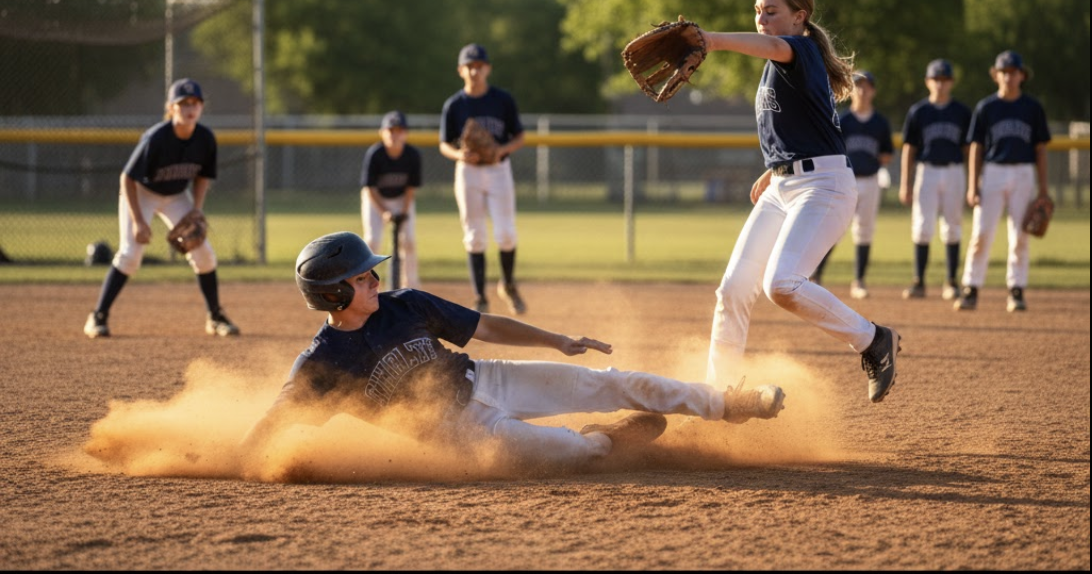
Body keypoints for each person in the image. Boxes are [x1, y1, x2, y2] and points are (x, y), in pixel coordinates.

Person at [236, 231, 786, 473]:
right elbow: (276, 421)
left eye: (373, 271)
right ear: (333, 294)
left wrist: (556, 340)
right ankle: (611, 439)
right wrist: (234, 463)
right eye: (363, 277)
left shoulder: (405, 304)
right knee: (576, 453)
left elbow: (487, 327)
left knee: (616, 378)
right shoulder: (324, 361)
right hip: (460, 435)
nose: (376, 279)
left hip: (487, 377)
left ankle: (727, 403)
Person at [697, 0, 901, 404]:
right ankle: (719, 395)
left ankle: (872, 339)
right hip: (785, 184)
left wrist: (710, 39)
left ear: (799, 16)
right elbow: (801, 125)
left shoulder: (800, 49)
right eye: (757, 11)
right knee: (733, 289)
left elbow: (773, 46)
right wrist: (776, 167)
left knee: (782, 284)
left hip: (823, 187)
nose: (761, 19)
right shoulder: (781, 66)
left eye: (771, 11)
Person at [82, 78, 240, 339]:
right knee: (130, 255)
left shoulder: (205, 138)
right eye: (183, 103)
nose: (190, 108)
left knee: (204, 255)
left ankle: (215, 316)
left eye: (196, 102)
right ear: (171, 108)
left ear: (201, 107)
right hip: (141, 194)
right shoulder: (156, 138)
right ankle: (97, 316)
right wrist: (139, 222)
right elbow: (127, 179)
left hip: (177, 195)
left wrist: (196, 209)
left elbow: (203, 177)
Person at [954, 51, 1051, 313]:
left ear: (1022, 75)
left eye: (1013, 72)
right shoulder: (986, 107)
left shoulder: (1032, 108)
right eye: (1004, 72)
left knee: (1020, 234)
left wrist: (1043, 188)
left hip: (1023, 172)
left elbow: (1041, 149)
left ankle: (1016, 290)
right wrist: (973, 185)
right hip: (993, 172)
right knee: (982, 232)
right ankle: (971, 287)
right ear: (996, 75)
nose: (1008, 76)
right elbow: (976, 148)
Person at [439, 43, 527, 316]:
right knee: (475, 236)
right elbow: (443, 144)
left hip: (499, 169)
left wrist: (501, 149)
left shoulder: (502, 100)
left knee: (506, 233)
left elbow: (519, 136)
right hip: (469, 172)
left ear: (487, 68)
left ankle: (508, 285)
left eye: (479, 65)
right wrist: (459, 154)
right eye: (469, 66)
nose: (475, 70)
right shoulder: (455, 105)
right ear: (460, 70)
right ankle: (480, 297)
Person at [810, 70, 894, 298]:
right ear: (851, 89)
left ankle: (859, 281)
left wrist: (873, 158)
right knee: (834, 229)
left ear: (873, 91)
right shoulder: (843, 120)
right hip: (845, 180)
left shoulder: (880, 122)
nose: (862, 90)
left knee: (864, 232)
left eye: (867, 86)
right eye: (858, 85)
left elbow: (887, 153)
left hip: (871, 181)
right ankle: (815, 276)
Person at [899, 59, 972, 301]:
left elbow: (968, 149)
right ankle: (919, 281)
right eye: (936, 79)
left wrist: (972, 180)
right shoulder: (919, 111)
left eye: (944, 79)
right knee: (922, 226)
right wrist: (905, 183)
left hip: (954, 170)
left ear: (951, 82)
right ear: (928, 82)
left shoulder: (961, 112)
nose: (940, 84)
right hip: (926, 170)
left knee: (953, 226)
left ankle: (951, 281)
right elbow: (909, 149)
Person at [361, 110, 422, 290]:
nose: (395, 135)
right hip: (376, 200)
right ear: (382, 133)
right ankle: (366, 287)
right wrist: (383, 212)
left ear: (406, 133)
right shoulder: (375, 154)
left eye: (399, 130)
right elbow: (369, 188)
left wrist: (403, 211)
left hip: (402, 200)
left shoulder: (412, 155)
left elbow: (411, 188)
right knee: (372, 241)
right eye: (390, 130)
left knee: (408, 241)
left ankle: (410, 287)